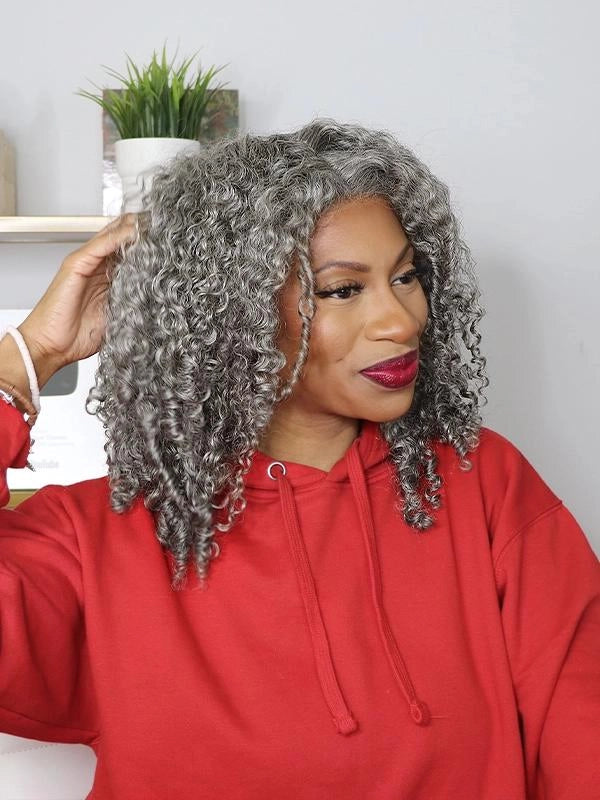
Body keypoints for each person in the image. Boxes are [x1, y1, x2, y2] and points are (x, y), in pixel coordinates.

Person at [0, 118, 598, 800]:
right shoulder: (98, 536)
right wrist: (28, 356)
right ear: (236, 319)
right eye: (343, 290)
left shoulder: (479, 482)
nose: (402, 320)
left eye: (405, 276)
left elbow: (584, 736)